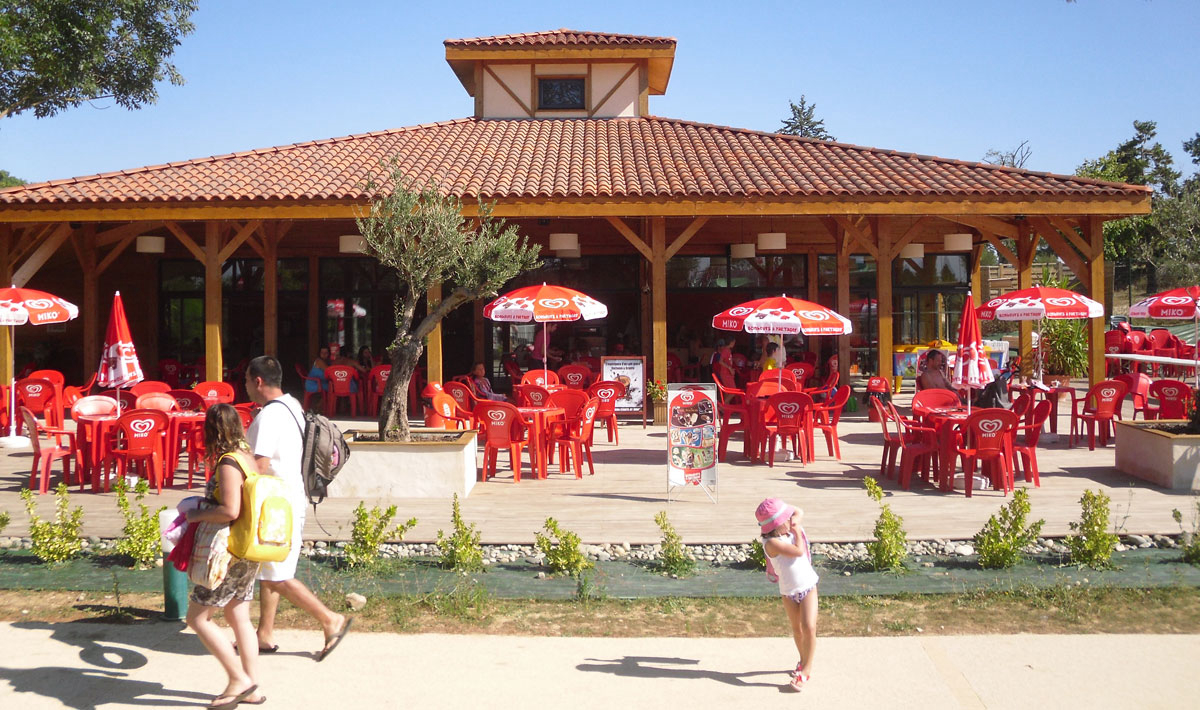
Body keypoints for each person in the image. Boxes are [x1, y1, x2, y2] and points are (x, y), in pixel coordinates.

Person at [244, 356, 352, 661]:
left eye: (247, 382)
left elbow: (260, 466)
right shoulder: (292, 405)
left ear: (258, 382)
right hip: (292, 498)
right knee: (270, 569)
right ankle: (264, 635)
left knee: (277, 575)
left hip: (277, 505)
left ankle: (330, 619)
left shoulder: (267, 417)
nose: (247, 387)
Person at [185, 404, 267, 708]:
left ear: (211, 431)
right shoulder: (248, 458)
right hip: (248, 548)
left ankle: (238, 679)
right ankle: (253, 687)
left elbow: (231, 510)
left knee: (197, 617)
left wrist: (193, 514)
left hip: (228, 550)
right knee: (237, 614)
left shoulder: (228, 463)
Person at [757, 498, 819, 692]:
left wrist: (793, 519)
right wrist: (798, 532)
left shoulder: (786, 530)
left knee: (809, 626)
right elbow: (798, 551)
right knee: (797, 629)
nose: (790, 521)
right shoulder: (771, 543)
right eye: (786, 519)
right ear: (777, 525)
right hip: (788, 593)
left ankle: (806, 670)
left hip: (808, 586)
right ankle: (802, 660)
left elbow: (798, 511)